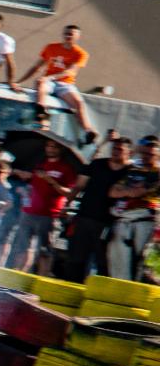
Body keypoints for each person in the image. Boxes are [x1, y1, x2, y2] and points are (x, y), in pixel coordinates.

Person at [63, 137, 133, 281]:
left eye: (120, 149)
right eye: (114, 148)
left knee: (104, 263)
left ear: (129, 153)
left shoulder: (130, 172)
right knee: (76, 259)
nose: (115, 152)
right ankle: (71, 288)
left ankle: (99, 292)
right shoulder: (97, 164)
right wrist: (66, 205)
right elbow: (78, 186)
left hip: (109, 223)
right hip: (84, 217)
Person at [6, 140, 79, 274]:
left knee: (45, 250)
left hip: (49, 215)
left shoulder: (66, 169)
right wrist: (25, 187)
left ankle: (42, 277)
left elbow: (69, 193)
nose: (50, 149)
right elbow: (34, 187)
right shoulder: (40, 165)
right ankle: (18, 275)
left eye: (54, 147)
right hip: (29, 212)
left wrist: (49, 179)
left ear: (60, 149)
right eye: (48, 146)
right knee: (22, 247)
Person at [17, 25, 94, 135]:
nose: (68, 36)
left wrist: (50, 77)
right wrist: (19, 82)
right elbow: (37, 67)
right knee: (40, 82)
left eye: (71, 34)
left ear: (78, 36)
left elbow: (70, 71)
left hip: (65, 84)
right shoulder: (51, 47)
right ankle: (41, 110)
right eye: (66, 33)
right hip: (49, 82)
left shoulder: (81, 53)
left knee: (79, 103)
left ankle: (88, 131)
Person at [107, 139, 160, 281]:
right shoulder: (133, 170)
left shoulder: (157, 173)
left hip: (147, 217)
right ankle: (120, 285)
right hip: (124, 216)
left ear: (157, 155)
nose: (146, 157)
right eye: (144, 153)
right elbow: (113, 191)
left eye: (150, 154)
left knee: (142, 259)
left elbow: (141, 191)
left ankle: (138, 287)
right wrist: (129, 191)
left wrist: (131, 191)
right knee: (117, 257)